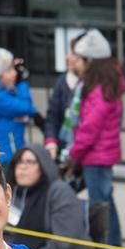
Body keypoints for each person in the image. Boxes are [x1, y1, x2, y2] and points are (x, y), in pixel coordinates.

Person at [64, 29, 125, 249]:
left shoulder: (100, 89)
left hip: (95, 156)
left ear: (91, 61)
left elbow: (89, 128)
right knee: (105, 201)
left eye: (80, 58)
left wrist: (72, 155)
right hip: (98, 154)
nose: (75, 62)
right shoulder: (105, 84)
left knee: (101, 206)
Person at [44, 33, 84, 163]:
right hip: (63, 150)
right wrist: (51, 142)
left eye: (73, 54)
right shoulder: (63, 81)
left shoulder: (94, 86)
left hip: (84, 154)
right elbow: (52, 116)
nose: (68, 57)